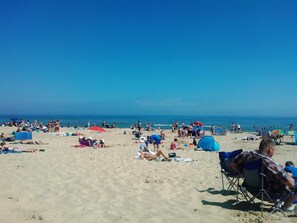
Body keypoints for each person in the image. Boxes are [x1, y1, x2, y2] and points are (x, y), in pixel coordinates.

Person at [231, 138, 297, 212]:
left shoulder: (245, 154)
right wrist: (289, 176)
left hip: (251, 189)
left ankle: (278, 203)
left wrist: (245, 174)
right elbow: (291, 184)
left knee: (270, 178)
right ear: (270, 149)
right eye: (274, 150)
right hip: (268, 194)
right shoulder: (268, 162)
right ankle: (285, 207)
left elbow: (233, 164)